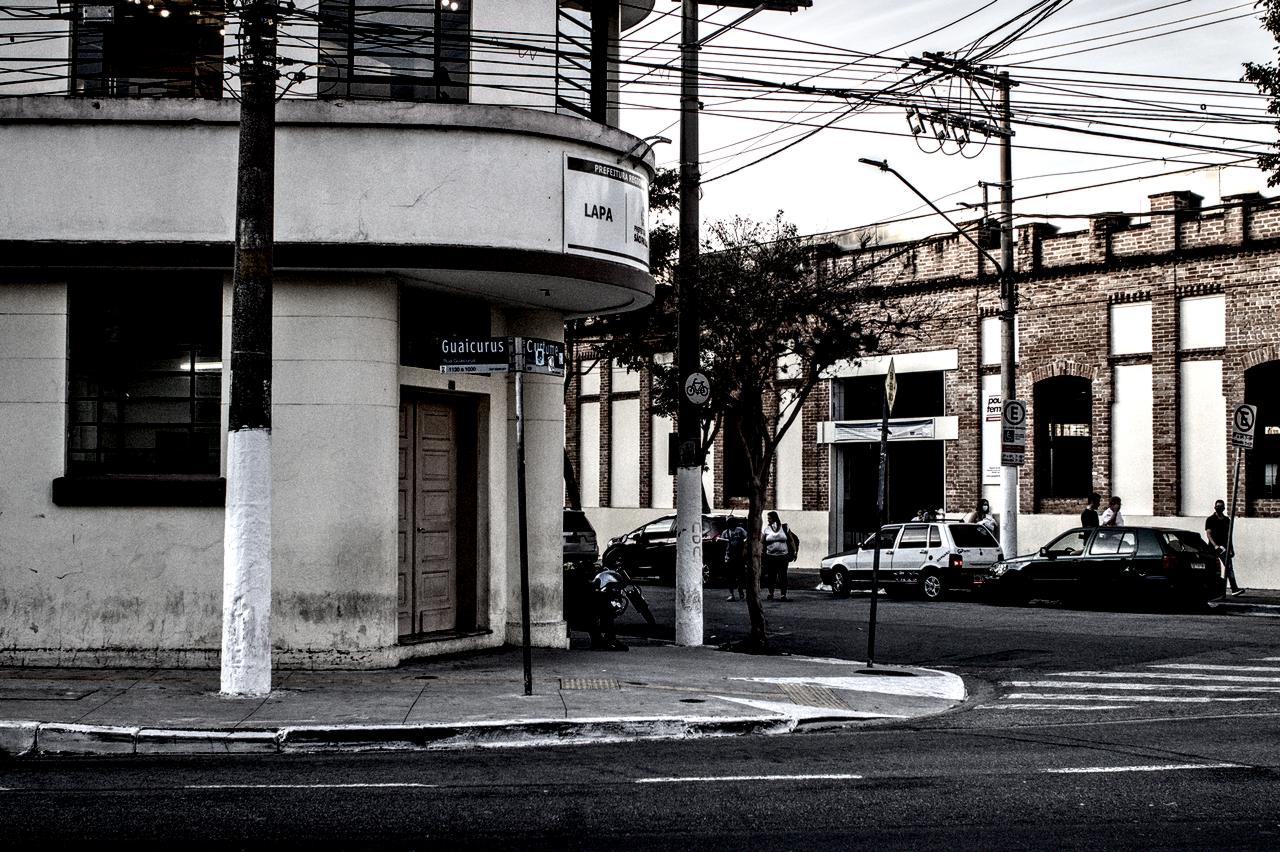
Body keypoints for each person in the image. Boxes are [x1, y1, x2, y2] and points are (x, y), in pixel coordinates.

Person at [1205, 499, 1245, 596]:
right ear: (1215, 507)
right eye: (1217, 506)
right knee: (1211, 568)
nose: (1219, 508)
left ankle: (1234, 589)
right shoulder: (1210, 519)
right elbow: (1208, 534)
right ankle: (1210, 588)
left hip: (1224, 547)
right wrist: (1215, 546)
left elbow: (1229, 536)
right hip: (1212, 548)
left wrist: (1231, 548)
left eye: (1221, 506)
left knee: (1229, 568)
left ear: (1224, 508)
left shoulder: (1227, 520)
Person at [761, 511, 791, 601]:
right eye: (768, 518)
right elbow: (762, 542)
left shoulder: (784, 527)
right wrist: (761, 552)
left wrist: (794, 552)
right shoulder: (766, 529)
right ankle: (771, 593)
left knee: (783, 576)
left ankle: (783, 595)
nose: (768, 520)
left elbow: (791, 540)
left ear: (774, 518)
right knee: (771, 575)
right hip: (771, 556)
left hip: (783, 556)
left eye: (769, 518)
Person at [723, 517, 748, 601]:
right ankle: (731, 593)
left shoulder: (740, 530)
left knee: (741, 575)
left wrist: (744, 546)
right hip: (729, 555)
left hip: (739, 555)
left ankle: (740, 590)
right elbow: (722, 542)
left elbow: (747, 537)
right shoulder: (725, 532)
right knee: (730, 576)